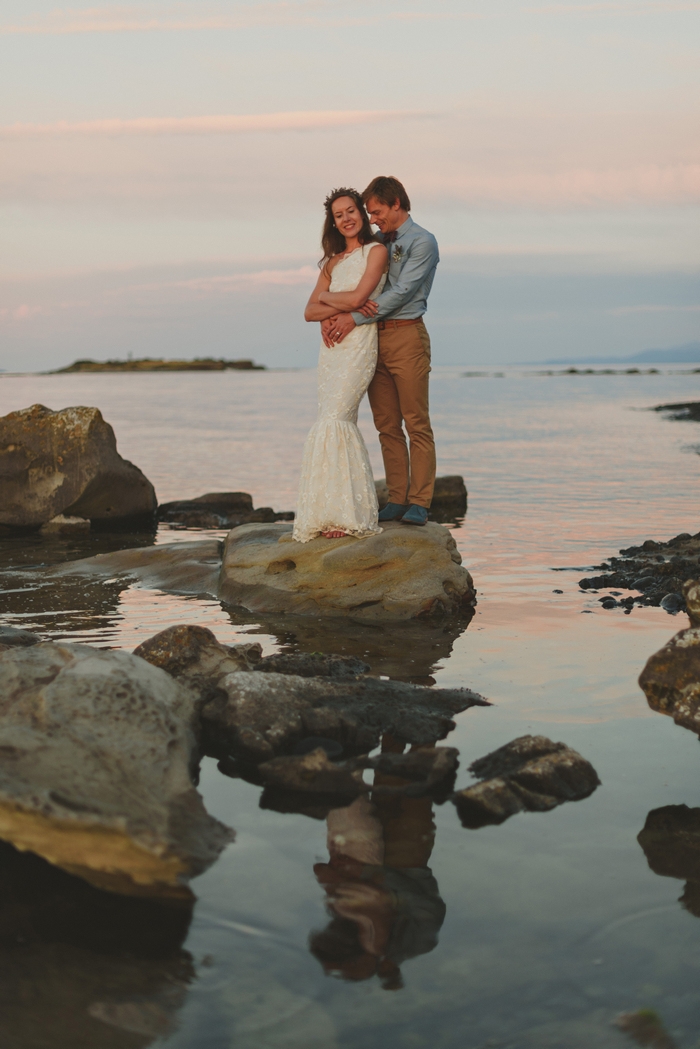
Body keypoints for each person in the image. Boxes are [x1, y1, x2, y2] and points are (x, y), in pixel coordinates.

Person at [322, 176, 439, 527]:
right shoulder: (378, 245)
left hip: (406, 336)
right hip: (372, 340)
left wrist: (352, 316)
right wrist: (335, 315)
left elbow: (402, 292)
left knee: (416, 422)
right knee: (386, 424)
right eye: (369, 213)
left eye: (376, 212)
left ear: (396, 204)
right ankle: (398, 498)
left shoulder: (423, 242)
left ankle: (420, 501)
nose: (372, 219)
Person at [293, 188, 388, 542]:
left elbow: (360, 298)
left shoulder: (376, 252)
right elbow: (308, 312)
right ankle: (325, 513)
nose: (346, 218)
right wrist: (336, 304)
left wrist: (328, 299)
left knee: (338, 418)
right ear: (333, 223)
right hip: (332, 350)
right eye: (338, 215)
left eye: (351, 211)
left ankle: (347, 516)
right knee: (327, 419)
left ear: (362, 214)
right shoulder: (332, 263)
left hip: (359, 344)